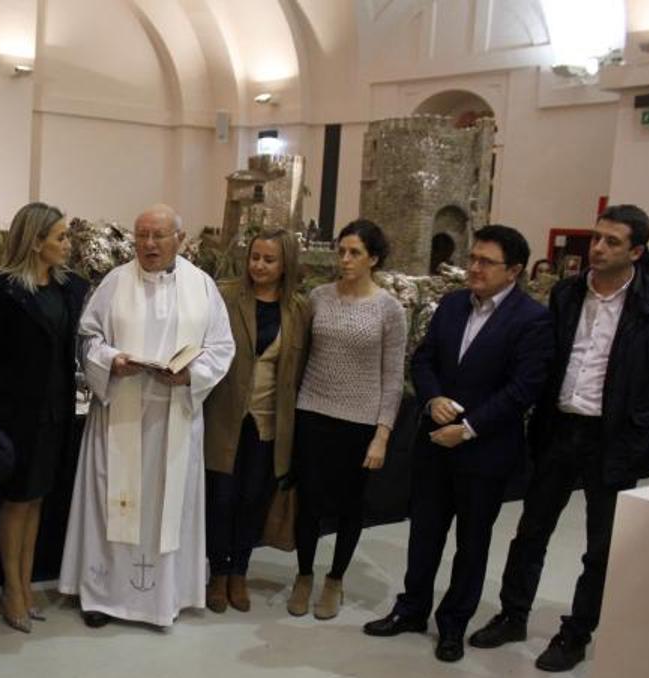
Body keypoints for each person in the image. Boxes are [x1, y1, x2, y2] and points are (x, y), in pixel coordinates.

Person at [470, 204, 649, 671]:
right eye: (597, 238)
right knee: (531, 530)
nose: (598, 248)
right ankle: (513, 614)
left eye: (612, 241)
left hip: (612, 436)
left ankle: (575, 633)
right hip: (559, 428)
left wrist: (640, 437)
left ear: (636, 251)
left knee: (599, 546)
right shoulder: (567, 294)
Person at [362, 225, 553, 661]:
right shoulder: (451, 305)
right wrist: (433, 399)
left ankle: (452, 624)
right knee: (424, 533)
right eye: (473, 258)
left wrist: (467, 427)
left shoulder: (531, 320)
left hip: (484, 452)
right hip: (434, 441)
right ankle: (412, 608)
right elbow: (424, 358)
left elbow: (523, 388)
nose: (475, 268)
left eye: (487, 262)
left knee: (472, 542)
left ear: (515, 270)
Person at [58, 204, 234, 629]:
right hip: (120, 413)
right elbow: (87, 338)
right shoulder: (115, 282)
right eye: (141, 236)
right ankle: (103, 595)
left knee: (165, 509)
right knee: (112, 502)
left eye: (158, 235)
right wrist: (111, 362)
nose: (148, 244)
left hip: (174, 417)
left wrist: (192, 373)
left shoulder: (203, 286)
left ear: (180, 238)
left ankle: (163, 598)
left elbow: (222, 347)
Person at [0, 202, 90, 631]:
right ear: (36, 241)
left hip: (56, 411)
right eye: (60, 237)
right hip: (13, 413)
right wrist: (5, 400)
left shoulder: (69, 288)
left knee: (37, 498)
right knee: (16, 500)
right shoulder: (1, 289)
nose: (67, 244)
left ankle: (25, 579)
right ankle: (11, 586)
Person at [288, 219, 406, 620]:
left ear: (373, 258)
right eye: (341, 251)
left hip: (359, 421)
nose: (345, 259)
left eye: (355, 252)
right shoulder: (318, 297)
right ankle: (304, 574)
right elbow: (301, 355)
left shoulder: (389, 308)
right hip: (313, 412)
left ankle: (335, 578)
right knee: (308, 503)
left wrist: (382, 435)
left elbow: (393, 377)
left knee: (350, 506)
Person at [202, 229, 309, 613]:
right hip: (225, 418)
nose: (259, 266)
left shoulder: (299, 309)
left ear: (285, 266)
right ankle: (217, 572)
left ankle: (239, 573)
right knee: (221, 498)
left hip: (269, 423)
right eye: (255, 257)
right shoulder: (225, 295)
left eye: (269, 260)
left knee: (253, 499)